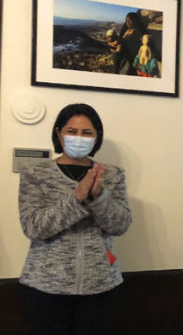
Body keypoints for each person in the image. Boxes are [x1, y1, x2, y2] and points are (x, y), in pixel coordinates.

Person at [18, 104, 132, 335]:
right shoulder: (35, 173)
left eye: (86, 133)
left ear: (96, 137)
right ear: (59, 133)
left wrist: (99, 197)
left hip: (101, 284)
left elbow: (119, 225)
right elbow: (33, 228)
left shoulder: (111, 174)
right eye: (71, 131)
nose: (78, 138)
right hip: (45, 286)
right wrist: (77, 197)